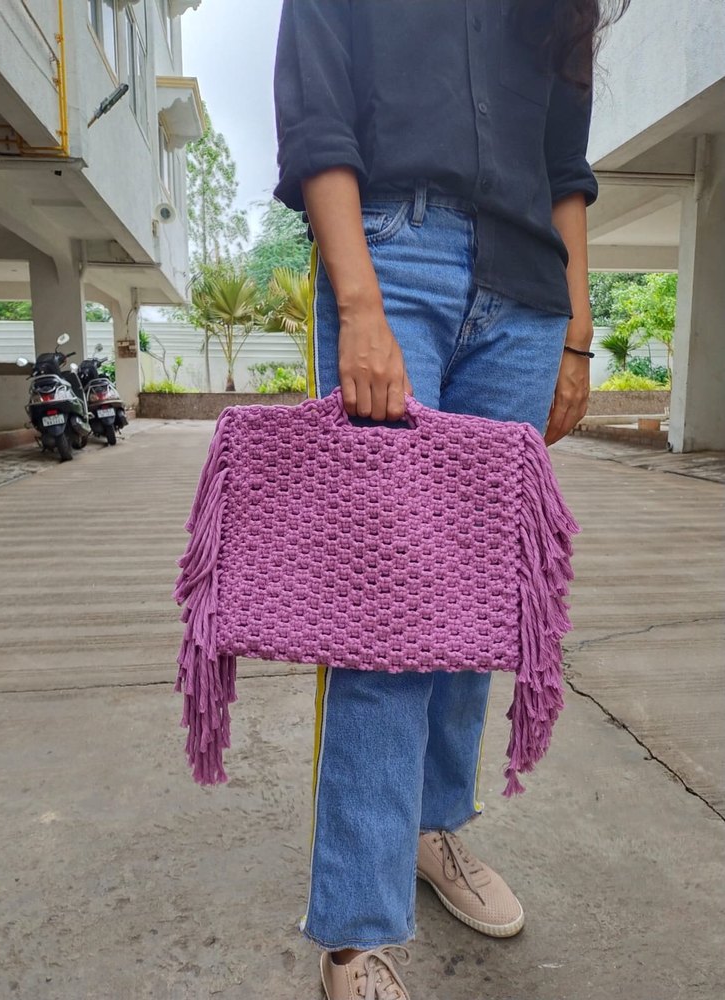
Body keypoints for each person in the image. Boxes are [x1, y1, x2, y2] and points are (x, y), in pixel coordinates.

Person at [273, 2, 629, 997]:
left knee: (473, 612)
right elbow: (316, 116)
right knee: (384, 608)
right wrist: (360, 308)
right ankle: (356, 931)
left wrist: (575, 336)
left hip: (525, 298)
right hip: (395, 260)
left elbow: (567, 167)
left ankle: (433, 831)